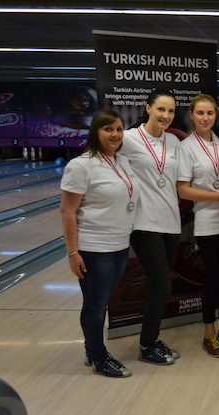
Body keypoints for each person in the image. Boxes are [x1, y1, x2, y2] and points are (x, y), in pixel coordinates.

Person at [60, 109, 139, 378]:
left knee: (101, 301)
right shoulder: (80, 166)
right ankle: (99, 358)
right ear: (96, 132)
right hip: (94, 248)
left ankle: (91, 348)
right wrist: (73, 252)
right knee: (95, 305)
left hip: (119, 245)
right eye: (108, 129)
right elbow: (67, 211)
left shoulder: (122, 162)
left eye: (118, 129)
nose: (115, 134)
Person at [120, 89, 181, 365]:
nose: (166, 116)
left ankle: (152, 339)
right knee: (161, 285)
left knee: (162, 285)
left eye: (170, 111)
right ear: (148, 109)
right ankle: (147, 346)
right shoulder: (129, 139)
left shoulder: (174, 142)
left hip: (171, 221)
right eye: (161, 110)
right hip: (143, 222)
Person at [176, 94, 219, 358]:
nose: (205, 118)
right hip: (207, 223)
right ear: (191, 115)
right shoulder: (186, 147)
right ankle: (209, 333)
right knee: (212, 280)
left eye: (210, 113)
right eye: (200, 113)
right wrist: (218, 197)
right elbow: (183, 190)